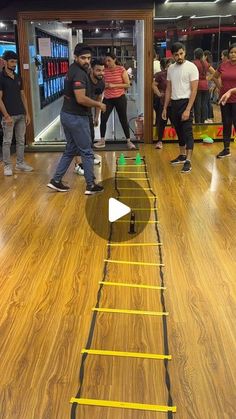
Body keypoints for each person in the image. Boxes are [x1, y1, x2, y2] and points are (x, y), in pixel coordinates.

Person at [47, 44, 106, 194]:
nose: (86, 61)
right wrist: (98, 104)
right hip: (76, 117)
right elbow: (81, 99)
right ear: (75, 57)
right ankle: (90, 185)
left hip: (67, 115)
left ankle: (56, 180)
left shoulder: (74, 70)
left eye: (88, 58)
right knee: (86, 151)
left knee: (71, 149)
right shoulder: (79, 73)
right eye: (83, 58)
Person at [162, 42, 199, 173]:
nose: (179, 56)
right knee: (178, 130)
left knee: (187, 132)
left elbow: (194, 90)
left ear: (185, 52)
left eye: (181, 53)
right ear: (172, 56)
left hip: (186, 102)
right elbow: (168, 89)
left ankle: (188, 161)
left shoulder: (192, 67)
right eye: (176, 55)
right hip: (174, 103)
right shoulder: (171, 69)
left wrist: (188, 109)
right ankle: (182, 155)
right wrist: (165, 108)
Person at [0, 50, 33, 176]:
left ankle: (20, 163)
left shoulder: (18, 76)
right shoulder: (1, 77)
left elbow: (23, 95)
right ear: (5, 62)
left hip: (21, 114)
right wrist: (6, 116)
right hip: (8, 116)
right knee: (7, 141)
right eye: (12, 62)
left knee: (20, 140)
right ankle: (7, 166)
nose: (14, 64)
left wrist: (27, 113)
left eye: (15, 62)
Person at [94, 52, 136, 150]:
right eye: (106, 61)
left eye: (109, 60)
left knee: (123, 119)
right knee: (103, 119)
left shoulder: (121, 69)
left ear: (114, 60)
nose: (107, 63)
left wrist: (114, 85)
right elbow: (101, 83)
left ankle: (129, 141)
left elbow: (127, 84)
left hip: (119, 97)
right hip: (108, 98)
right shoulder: (105, 71)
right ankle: (102, 140)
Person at [74, 59, 105, 176]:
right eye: (98, 70)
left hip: (88, 112)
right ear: (91, 69)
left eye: (102, 70)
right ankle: (77, 165)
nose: (101, 73)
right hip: (76, 112)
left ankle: (90, 158)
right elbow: (80, 98)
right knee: (78, 139)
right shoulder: (83, 79)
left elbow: (98, 99)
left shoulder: (101, 83)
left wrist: (97, 117)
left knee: (90, 136)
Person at [212, 43, 236, 158]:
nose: (233, 54)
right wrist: (220, 87)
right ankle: (226, 149)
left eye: (235, 52)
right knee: (226, 124)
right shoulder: (223, 65)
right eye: (231, 52)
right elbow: (214, 77)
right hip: (224, 100)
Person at [152, 57, 174, 149]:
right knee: (162, 121)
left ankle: (180, 139)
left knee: (177, 121)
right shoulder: (161, 75)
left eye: (172, 65)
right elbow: (153, 85)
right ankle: (159, 140)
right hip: (163, 101)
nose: (170, 67)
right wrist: (159, 94)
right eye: (169, 65)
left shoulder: (177, 75)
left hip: (175, 101)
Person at [193, 48, 215, 123]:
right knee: (204, 104)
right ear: (202, 54)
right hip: (205, 85)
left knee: (197, 105)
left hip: (197, 86)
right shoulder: (205, 63)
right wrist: (207, 79)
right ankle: (203, 121)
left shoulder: (194, 63)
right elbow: (214, 72)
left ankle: (198, 122)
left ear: (195, 55)